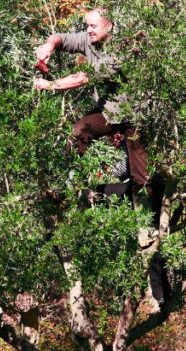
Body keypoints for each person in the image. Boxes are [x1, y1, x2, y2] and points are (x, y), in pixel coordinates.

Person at [33, 7, 157, 217]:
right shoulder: (88, 39)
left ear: (109, 26)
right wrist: (48, 46)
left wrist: (51, 84)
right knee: (79, 131)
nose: (88, 30)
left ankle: (149, 223)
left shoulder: (122, 47)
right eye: (87, 25)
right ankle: (75, 185)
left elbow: (85, 77)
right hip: (108, 112)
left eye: (93, 26)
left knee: (141, 174)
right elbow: (60, 38)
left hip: (133, 115)